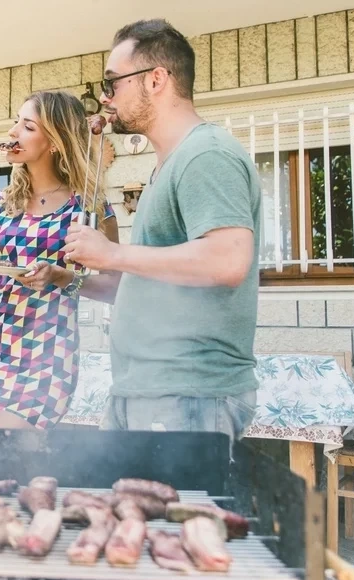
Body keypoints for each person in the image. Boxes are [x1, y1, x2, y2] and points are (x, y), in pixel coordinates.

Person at [63, 19, 262, 442]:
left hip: (187, 393)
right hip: (149, 390)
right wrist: (71, 282)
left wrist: (113, 254)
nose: (104, 96)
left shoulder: (205, 154)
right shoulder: (168, 164)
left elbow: (228, 260)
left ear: (156, 80)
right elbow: (149, 286)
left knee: (176, 511)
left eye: (113, 82)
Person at [0, 90, 120, 430]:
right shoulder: (3, 201)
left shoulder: (88, 208)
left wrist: (62, 277)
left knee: (3, 442)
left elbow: (116, 287)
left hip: (48, 347)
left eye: (27, 126)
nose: (13, 132)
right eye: (16, 122)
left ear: (55, 141)